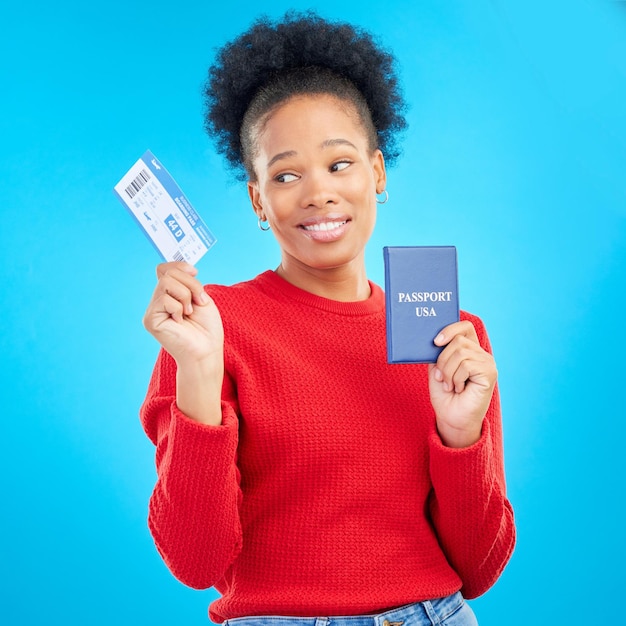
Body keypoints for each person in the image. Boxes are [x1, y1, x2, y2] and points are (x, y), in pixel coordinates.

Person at [140, 11, 515, 626]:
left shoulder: (449, 336)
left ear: (377, 172)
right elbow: (196, 563)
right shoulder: (210, 326)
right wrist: (200, 374)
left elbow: (479, 569)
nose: (318, 192)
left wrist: (460, 436)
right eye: (286, 174)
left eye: (339, 164)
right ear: (259, 199)